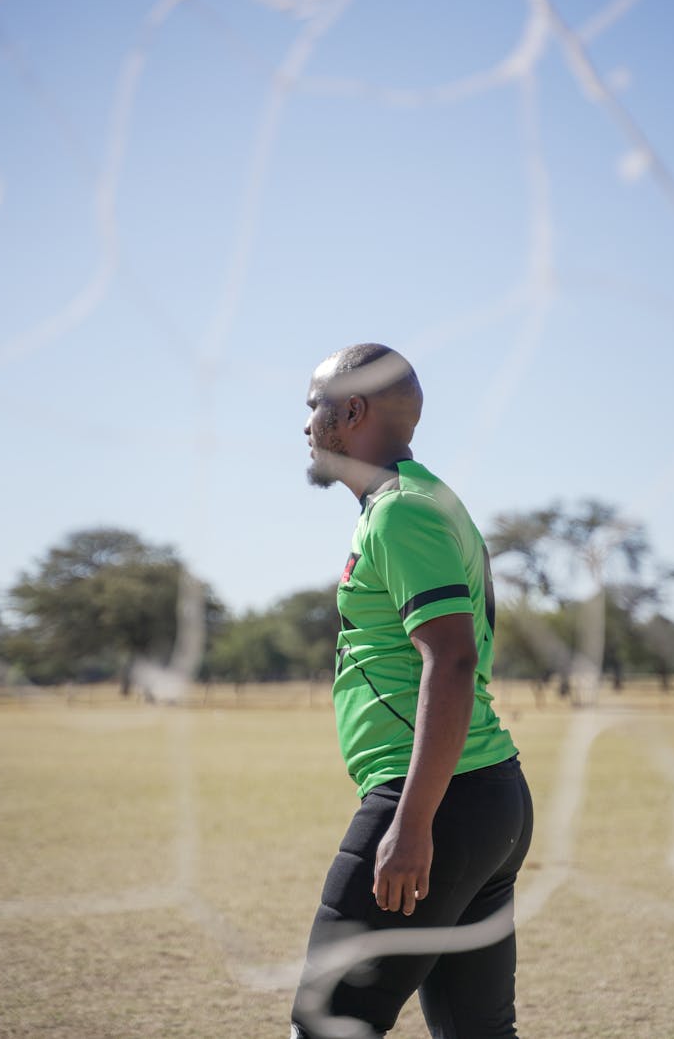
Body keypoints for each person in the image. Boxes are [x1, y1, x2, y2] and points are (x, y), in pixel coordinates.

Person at [291, 343, 533, 1039]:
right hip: (485, 798)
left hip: (436, 804)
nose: (307, 424)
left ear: (353, 410)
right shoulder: (426, 499)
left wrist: (413, 822)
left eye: (315, 406)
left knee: (328, 1023)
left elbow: (451, 661)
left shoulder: (402, 510)